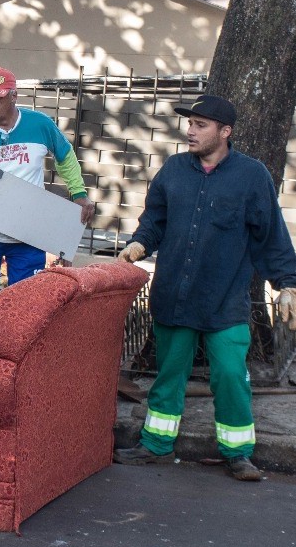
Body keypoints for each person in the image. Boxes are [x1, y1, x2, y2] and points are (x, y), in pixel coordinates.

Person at [114, 94, 296, 481]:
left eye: (200, 125)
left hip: (223, 301)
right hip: (174, 297)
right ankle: (156, 445)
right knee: (169, 375)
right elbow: (155, 219)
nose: (190, 131)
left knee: (231, 376)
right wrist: (140, 242)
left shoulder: (252, 176)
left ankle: (238, 453)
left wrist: (288, 284)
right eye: (189, 123)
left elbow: (271, 236)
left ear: (225, 132)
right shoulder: (174, 170)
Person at [0, 67, 95, 312]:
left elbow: (65, 156)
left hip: (28, 235)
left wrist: (79, 194)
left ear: (13, 95)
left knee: (28, 311)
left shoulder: (40, 125)